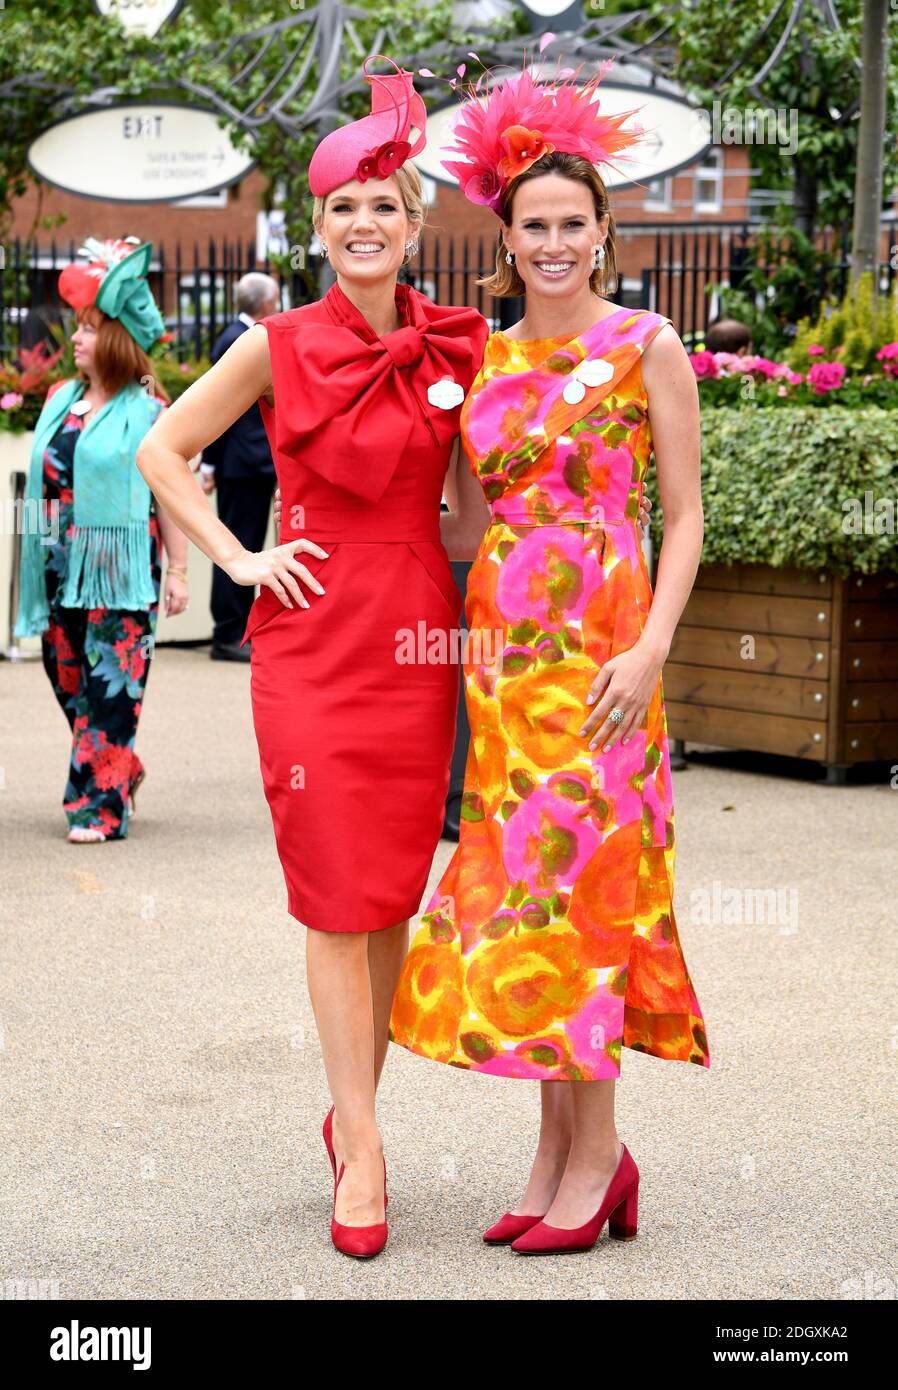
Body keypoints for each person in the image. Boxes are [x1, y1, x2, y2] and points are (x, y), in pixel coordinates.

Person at [135, 58, 489, 1258]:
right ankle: (368, 1147)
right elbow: (164, 450)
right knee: (336, 895)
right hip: (311, 631)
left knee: (389, 892)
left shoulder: (459, 346)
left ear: (412, 220)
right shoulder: (274, 342)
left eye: (382, 203)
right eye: (341, 206)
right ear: (318, 225)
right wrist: (238, 560)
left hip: (417, 634)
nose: (362, 223)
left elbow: (466, 514)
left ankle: (352, 1118)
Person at [389, 63, 710, 1254]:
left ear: (604, 231)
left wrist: (655, 648)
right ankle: (557, 1155)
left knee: (590, 896)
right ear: (508, 239)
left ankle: (597, 1159)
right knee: (526, 904)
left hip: (611, 664)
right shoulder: (484, 359)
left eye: (575, 223)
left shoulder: (647, 345)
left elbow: (683, 517)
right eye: (536, 226)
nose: (556, 242)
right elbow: (467, 525)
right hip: (506, 669)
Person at [15, 237, 189, 844]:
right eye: (78, 329)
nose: (77, 340)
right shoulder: (61, 399)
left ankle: (97, 808)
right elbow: (37, 480)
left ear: (117, 338)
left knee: (109, 689)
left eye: (90, 329)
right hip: (60, 567)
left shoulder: (149, 411)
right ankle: (122, 767)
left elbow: (172, 493)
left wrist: (179, 571)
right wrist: (29, 557)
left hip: (122, 571)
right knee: (65, 678)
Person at [200, 272, 280, 662]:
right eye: (276, 299)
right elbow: (218, 411)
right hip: (242, 467)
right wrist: (210, 464)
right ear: (265, 304)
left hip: (250, 464)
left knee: (245, 547)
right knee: (236, 550)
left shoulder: (239, 335)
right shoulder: (238, 339)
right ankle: (227, 634)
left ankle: (234, 631)